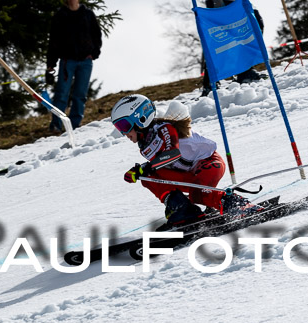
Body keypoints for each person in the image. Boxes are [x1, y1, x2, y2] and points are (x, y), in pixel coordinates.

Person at [111, 94, 256, 229]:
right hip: (189, 172)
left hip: (209, 163)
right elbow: (161, 167)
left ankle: (238, 205)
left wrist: (146, 166)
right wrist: (140, 171)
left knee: (198, 193)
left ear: (140, 118)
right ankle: (184, 211)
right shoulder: (145, 145)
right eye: (119, 128)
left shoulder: (164, 128)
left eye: (124, 126)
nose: (124, 133)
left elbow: (172, 153)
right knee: (147, 177)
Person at [45, 0, 102, 132]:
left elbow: (96, 35)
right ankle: (56, 124)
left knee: (80, 94)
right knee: (61, 94)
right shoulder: (60, 15)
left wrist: (94, 52)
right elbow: (53, 41)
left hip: (86, 61)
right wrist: (50, 65)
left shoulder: (88, 14)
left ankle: (75, 125)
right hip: (67, 61)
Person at [200, 0, 266, 97]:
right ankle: (210, 84)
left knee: (254, 21)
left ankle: (245, 70)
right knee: (220, 43)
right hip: (220, 6)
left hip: (238, 4)